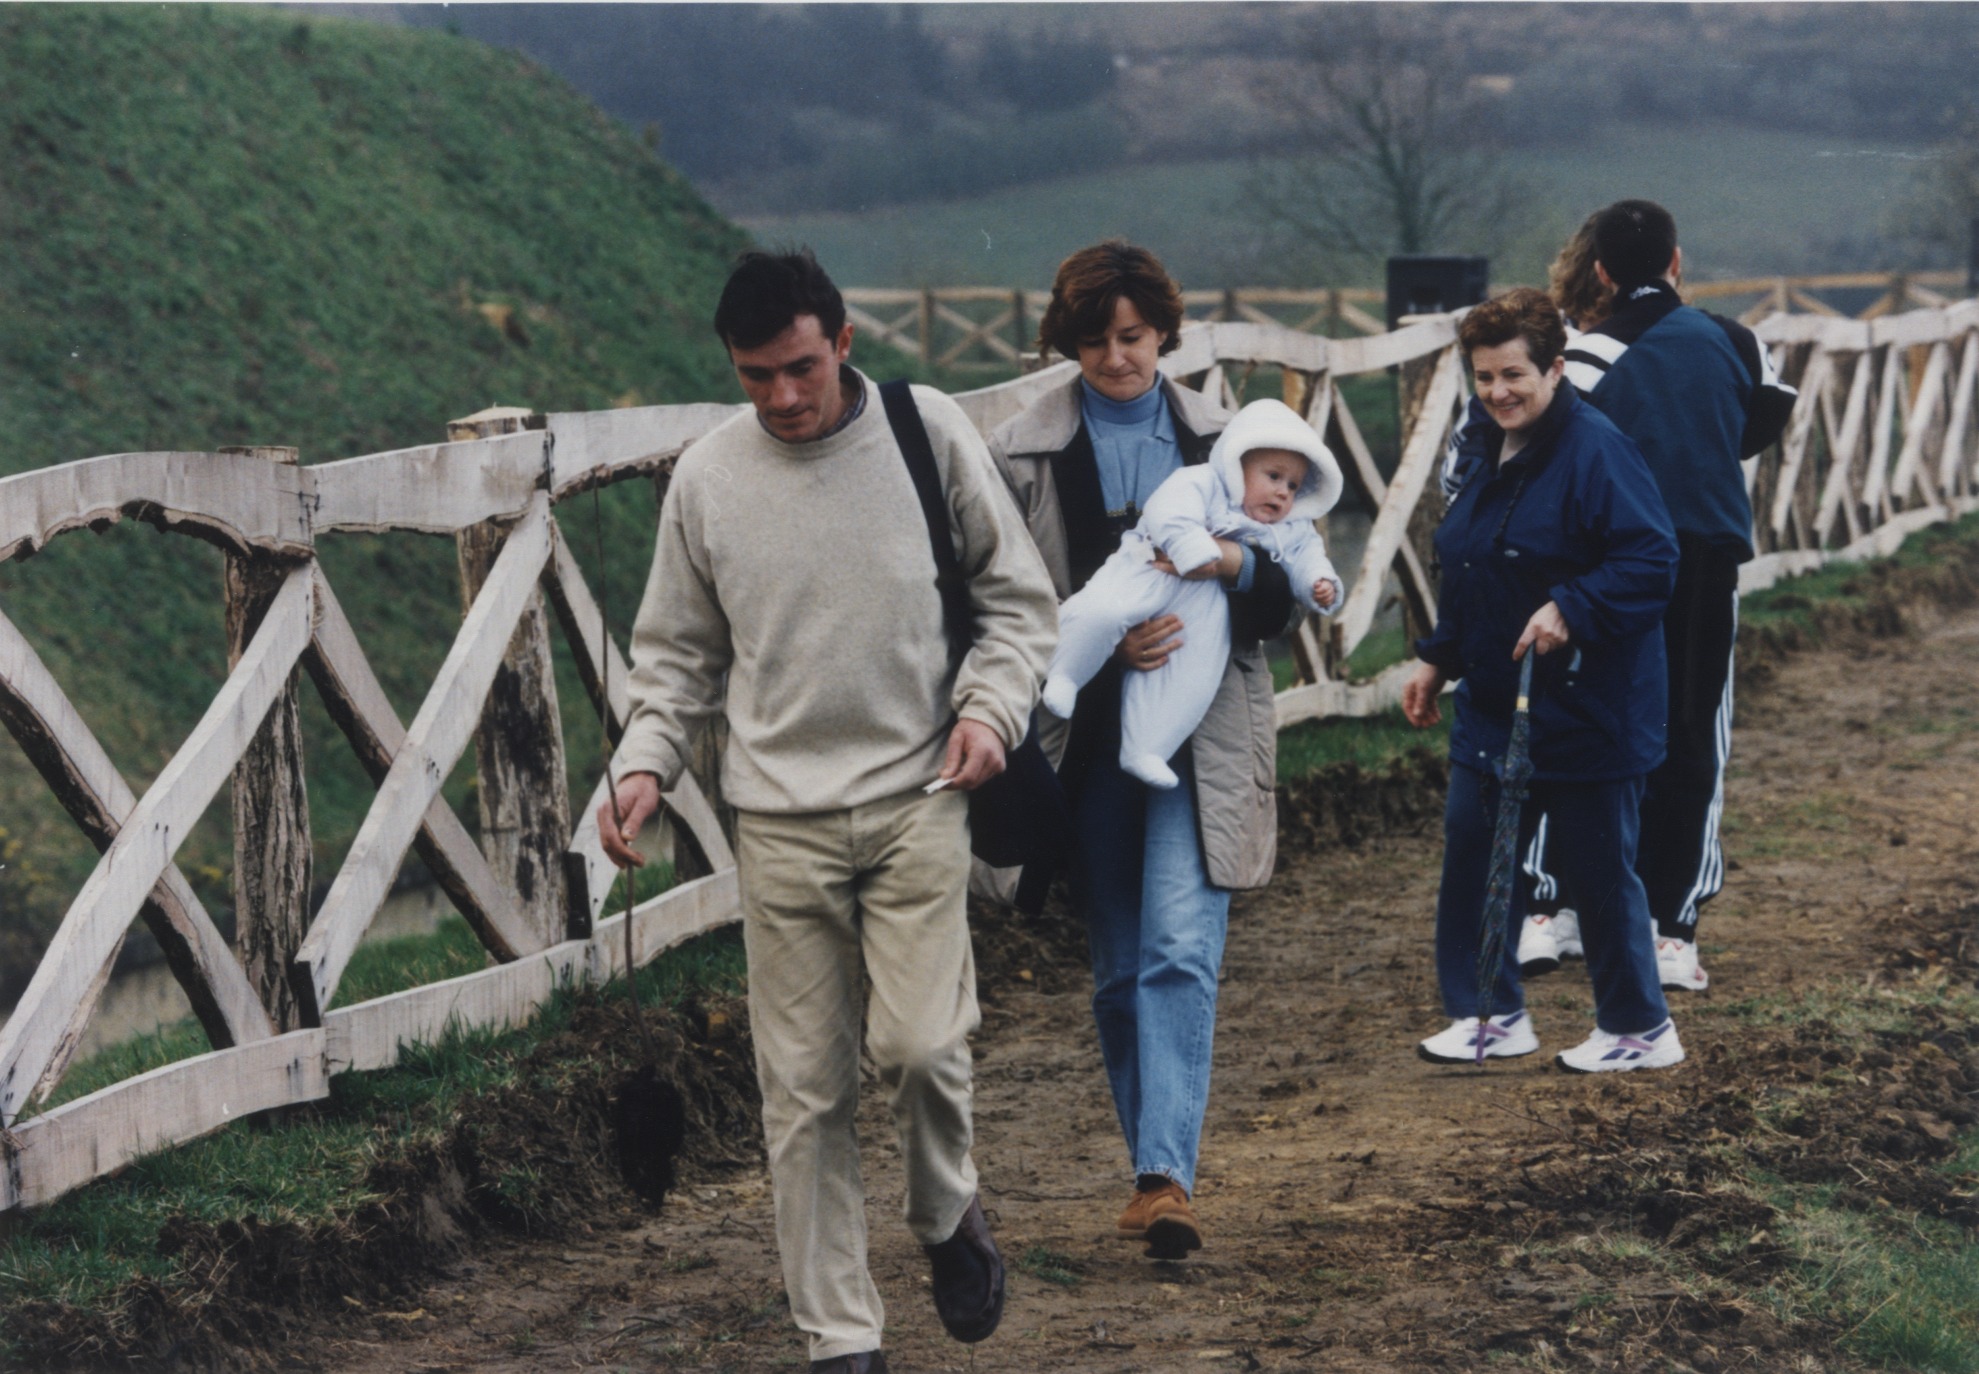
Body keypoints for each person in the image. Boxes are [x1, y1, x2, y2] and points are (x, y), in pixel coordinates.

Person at [600, 249, 1058, 1374]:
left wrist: (990, 713)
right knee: (801, 1094)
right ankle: (841, 1339)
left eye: (799, 368)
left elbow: (1016, 604)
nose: (781, 397)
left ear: (843, 343)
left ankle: (944, 1209)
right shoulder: (708, 478)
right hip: (779, 822)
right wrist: (644, 764)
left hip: (920, 795)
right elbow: (676, 657)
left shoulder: (925, 431)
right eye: (754, 376)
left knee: (919, 1047)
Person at [988, 240, 1297, 1259]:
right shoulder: (1016, 453)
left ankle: (1167, 1180)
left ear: (1164, 330)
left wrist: (1232, 568)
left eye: (1131, 336)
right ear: (1064, 343)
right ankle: (1147, 1168)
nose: (1115, 359)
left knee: (1178, 947)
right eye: (1092, 341)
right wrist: (1101, 639)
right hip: (1082, 735)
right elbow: (993, 602)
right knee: (1118, 968)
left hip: (1202, 728)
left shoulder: (1227, 439)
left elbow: (1281, 595)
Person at [1402, 287, 1684, 1074]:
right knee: (1474, 854)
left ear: (1554, 369)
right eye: (1484, 376)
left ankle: (1639, 1029)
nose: (1498, 392)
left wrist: (1572, 605)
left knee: (1597, 872)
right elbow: (1469, 561)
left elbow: (1651, 560)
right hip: (1496, 697)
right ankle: (1488, 1014)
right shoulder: (1479, 443)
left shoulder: (1597, 451)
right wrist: (1437, 655)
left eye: (1513, 375)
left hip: (1591, 700)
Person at [1567, 200, 1797, 992]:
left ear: (1601, 271)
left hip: (1609, 560)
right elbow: (1763, 417)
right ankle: (1672, 928)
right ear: (1675, 260)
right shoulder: (1735, 340)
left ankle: (1572, 905)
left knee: (1599, 723)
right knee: (1694, 732)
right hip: (1701, 554)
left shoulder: (1584, 354)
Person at [1042, 397, 1344, 788]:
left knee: (1193, 670)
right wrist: (1190, 547)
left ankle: (1147, 747)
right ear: (1238, 465)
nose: (1283, 493)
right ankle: (1066, 673)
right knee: (1102, 611)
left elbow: (1305, 555)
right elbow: (1166, 510)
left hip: (1200, 600)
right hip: (1148, 569)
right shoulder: (1203, 482)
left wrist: (1319, 582)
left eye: (1293, 485)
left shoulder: (1290, 527)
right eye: (1273, 476)